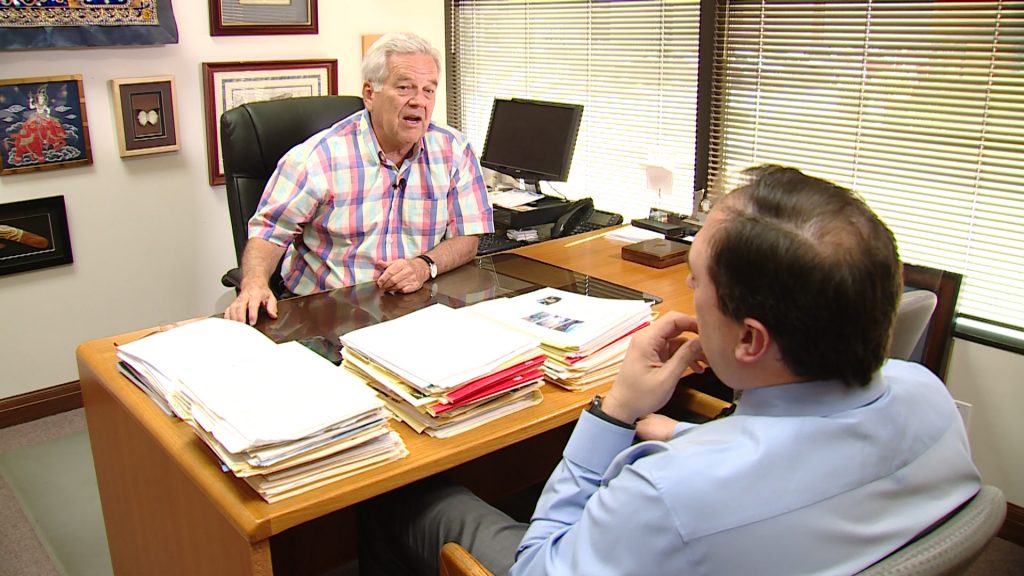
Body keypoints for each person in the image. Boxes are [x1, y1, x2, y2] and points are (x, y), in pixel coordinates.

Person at [357, 165, 981, 575]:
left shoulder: (668, 495)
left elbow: (535, 565)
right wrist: (676, 433)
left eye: (696, 283)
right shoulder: (926, 395)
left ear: (750, 339)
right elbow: (800, 459)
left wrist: (614, 414)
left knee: (410, 499)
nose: (687, 292)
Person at [225, 32, 493, 325]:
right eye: (405, 88)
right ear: (369, 94)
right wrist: (254, 284)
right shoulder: (317, 158)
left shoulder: (454, 151)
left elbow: (469, 237)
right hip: (325, 316)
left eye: (428, 90)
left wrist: (424, 265)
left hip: (415, 313)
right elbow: (269, 233)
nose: (419, 101)